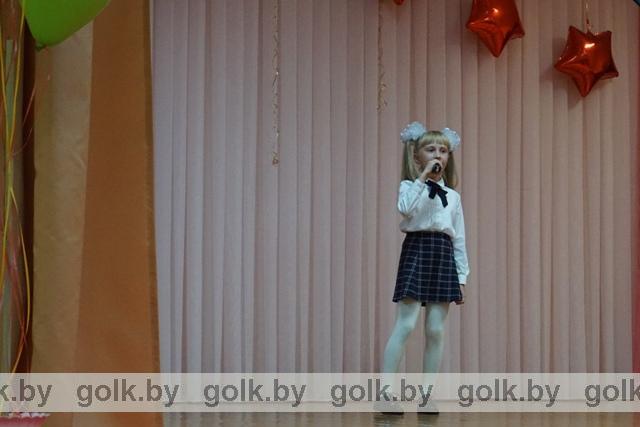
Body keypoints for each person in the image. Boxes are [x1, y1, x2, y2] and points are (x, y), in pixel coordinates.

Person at [375, 121, 470, 416]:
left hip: (443, 255)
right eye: (430, 149)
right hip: (417, 250)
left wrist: (462, 276)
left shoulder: (453, 197)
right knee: (405, 325)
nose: (437, 154)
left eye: (443, 150)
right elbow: (405, 208)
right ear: (416, 156)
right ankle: (385, 394)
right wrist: (422, 178)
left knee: (436, 330)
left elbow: (459, 238)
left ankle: (426, 397)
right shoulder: (409, 187)